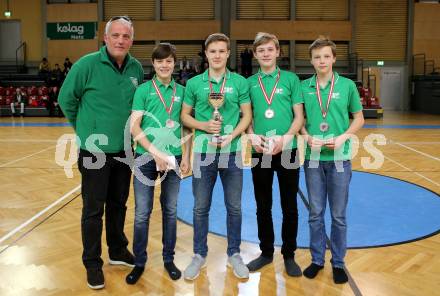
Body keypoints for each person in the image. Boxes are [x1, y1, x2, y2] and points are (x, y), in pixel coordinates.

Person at [58, 16, 144, 290]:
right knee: (93, 209)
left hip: (124, 151)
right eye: (115, 35)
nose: (121, 40)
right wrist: (85, 129)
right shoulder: (86, 65)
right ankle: (92, 262)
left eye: (126, 36)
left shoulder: (136, 68)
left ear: (131, 39)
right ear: (105, 38)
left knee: (119, 204)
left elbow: (137, 108)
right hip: (94, 151)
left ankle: (117, 250)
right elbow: (66, 99)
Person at [180, 33, 252, 280]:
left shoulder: (240, 82)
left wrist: (231, 137)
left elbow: (247, 116)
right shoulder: (194, 83)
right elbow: (184, 117)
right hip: (203, 153)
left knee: (235, 208)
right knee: (201, 208)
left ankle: (234, 254)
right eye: (213, 51)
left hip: (231, 154)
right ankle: (199, 255)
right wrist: (203, 125)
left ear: (228, 53)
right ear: (206, 54)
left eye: (222, 51)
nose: (217, 55)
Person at [126, 43, 192, 284]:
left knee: (171, 211)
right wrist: (155, 153)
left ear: (175, 63)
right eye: (160, 61)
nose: (165, 65)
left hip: (173, 159)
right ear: (153, 64)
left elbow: (186, 126)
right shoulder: (143, 90)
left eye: (169, 61)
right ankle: (140, 261)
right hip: (146, 157)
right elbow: (134, 126)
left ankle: (168, 259)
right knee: (142, 213)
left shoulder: (183, 91)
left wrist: (186, 156)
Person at [300, 37, 364, 284]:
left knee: (338, 215)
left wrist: (343, 137)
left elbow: (358, 118)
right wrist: (305, 137)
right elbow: (298, 119)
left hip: (339, 157)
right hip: (313, 158)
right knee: (315, 213)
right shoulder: (304, 87)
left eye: (326, 56)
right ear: (311, 61)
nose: (322, 61)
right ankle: (317, 260)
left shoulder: (347, 85)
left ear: (334, 58)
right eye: (317, 57)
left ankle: (338, 262)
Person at [245, 32, 304, 276]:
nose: (266, 54)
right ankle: (266, 252)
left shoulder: (291, 79)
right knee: (263, 205)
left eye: (270, 49)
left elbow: (299, 116)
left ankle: (289, 254)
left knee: (289, 205)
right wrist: (251, 135)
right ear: (256, 54)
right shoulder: (248, 83)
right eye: (261, 50)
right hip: (260, 150)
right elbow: (246, 117)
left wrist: (287, 138)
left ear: (278, 52)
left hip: (287, 149)